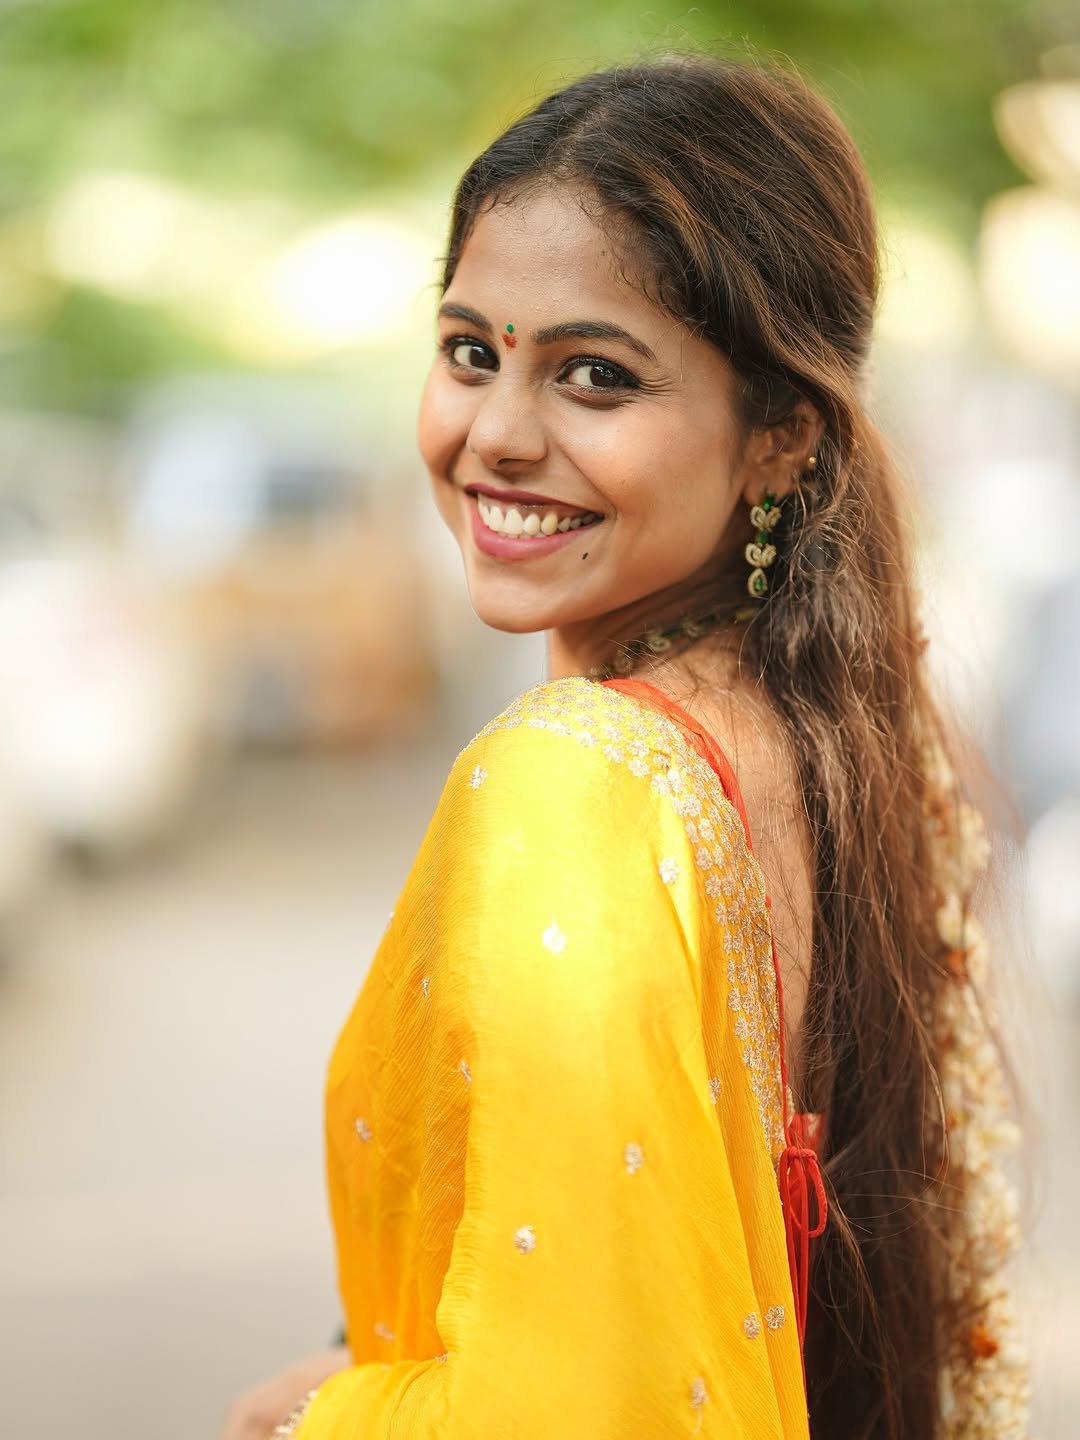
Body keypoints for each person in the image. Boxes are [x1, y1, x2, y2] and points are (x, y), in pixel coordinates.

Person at [219, 55, 1028, 1440]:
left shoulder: (575, 779)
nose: (496, 435)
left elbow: (580, 1409)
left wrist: (314, 1417)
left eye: (595, 377)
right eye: (471, 352)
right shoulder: (833, 731)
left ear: (782, 436)